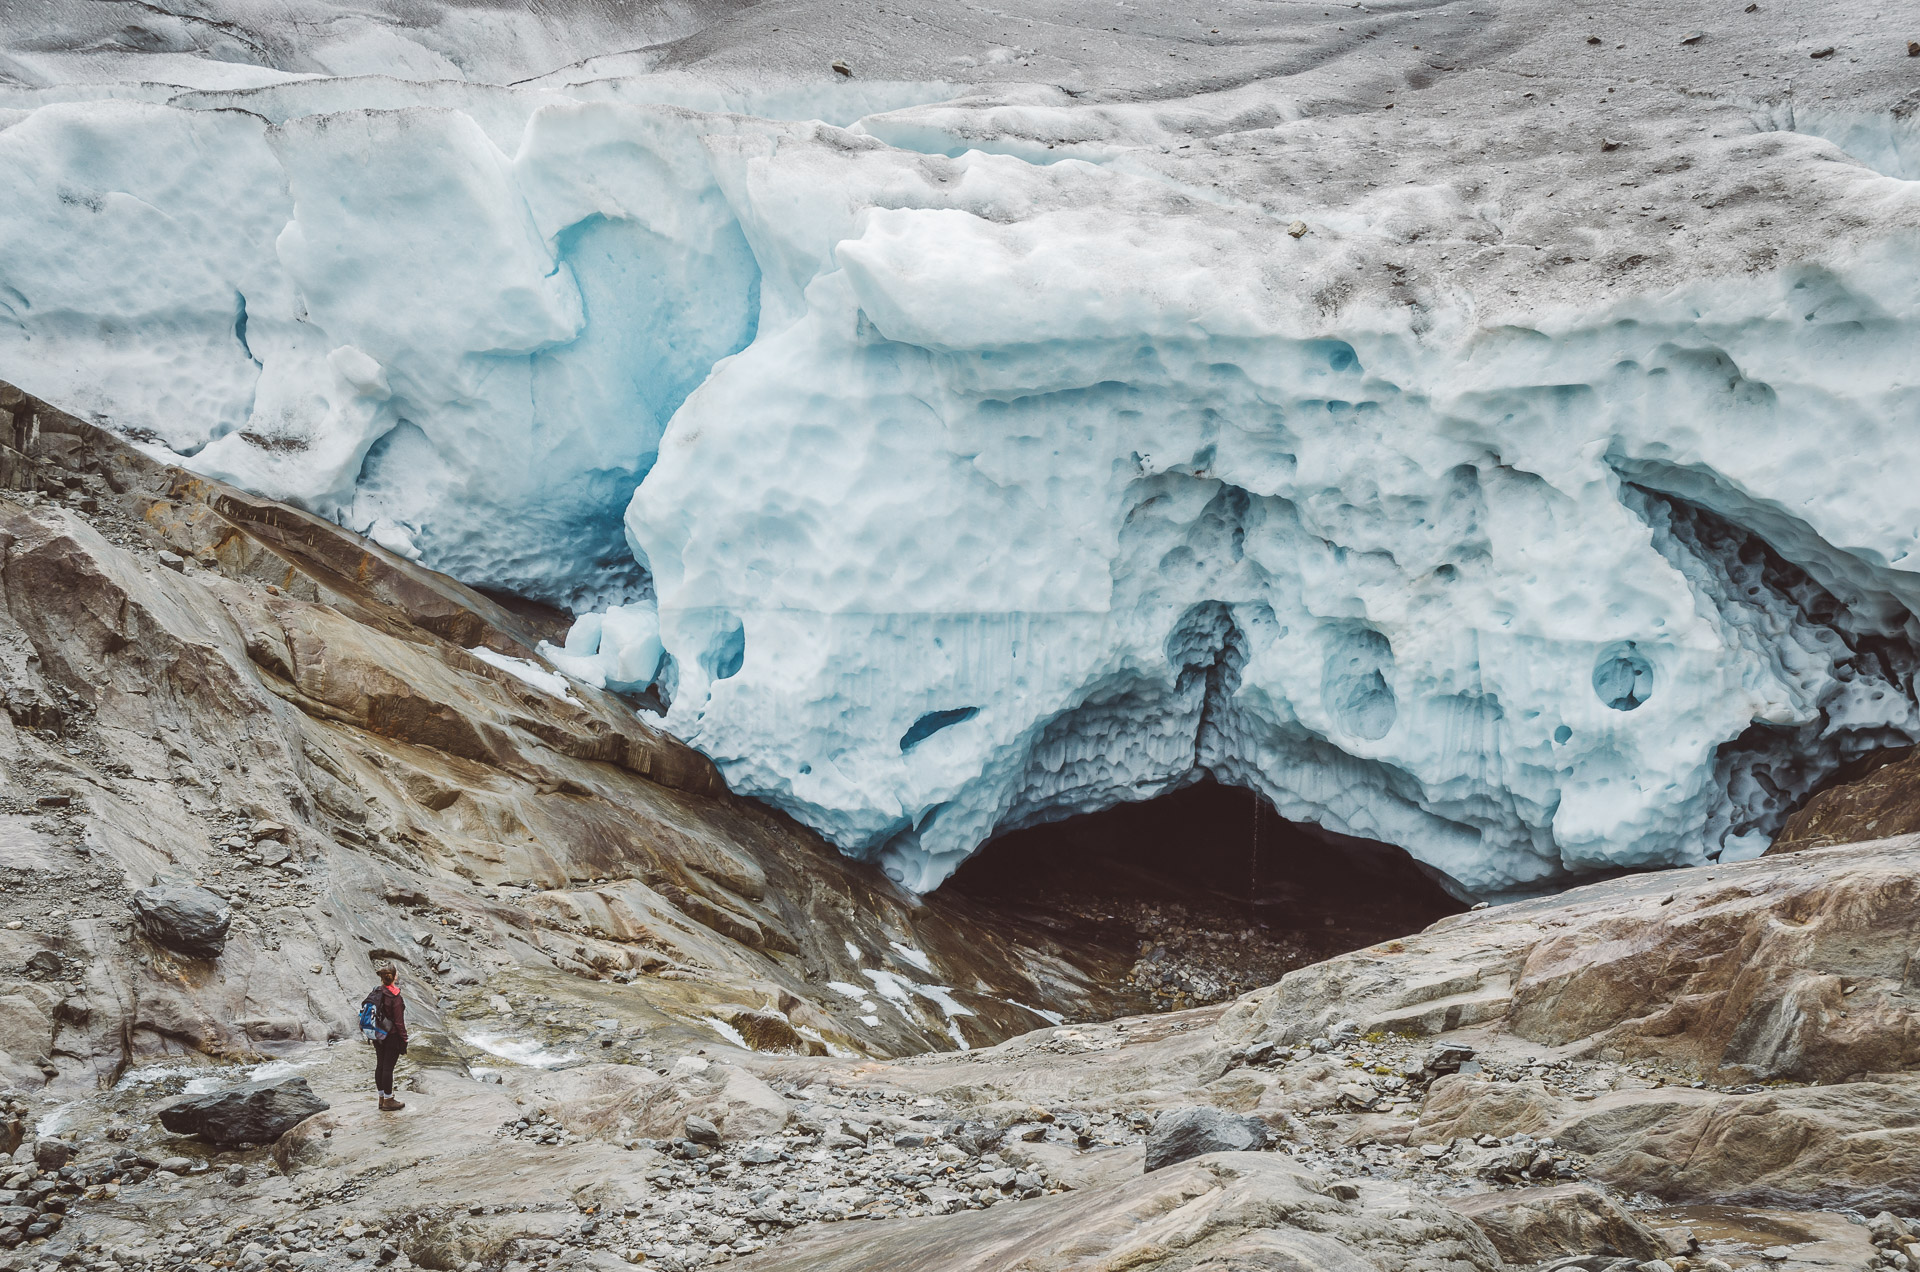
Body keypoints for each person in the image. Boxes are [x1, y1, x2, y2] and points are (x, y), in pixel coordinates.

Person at [364, 964, 408, 1111]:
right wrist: (404, 1039)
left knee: (380, 1065)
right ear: (394, 976)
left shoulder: (377, 991)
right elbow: (399, 1022)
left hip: (377, 1034)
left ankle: (381, 1098)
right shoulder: (395, 997)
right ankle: (389, 1100)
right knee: (388, 1068)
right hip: (392, 1036)